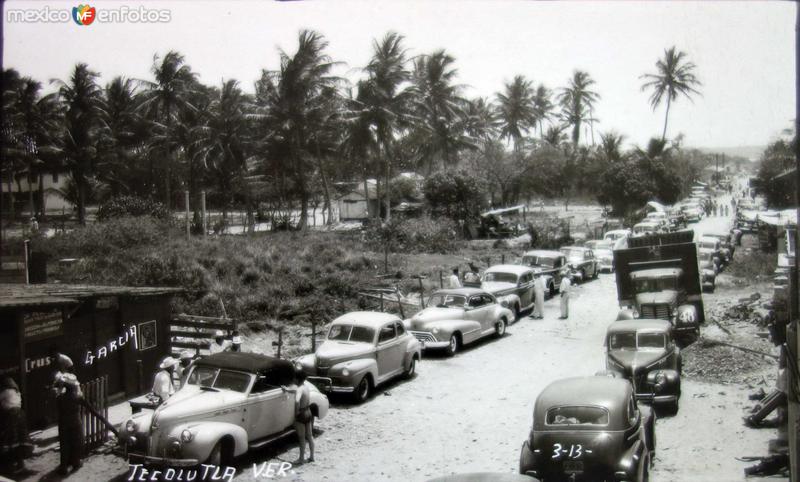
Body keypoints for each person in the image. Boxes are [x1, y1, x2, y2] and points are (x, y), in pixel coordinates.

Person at [0, 377, 32, 474]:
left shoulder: (5, 392)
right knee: (19, 440)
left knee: (10, 440)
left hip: (11, 415)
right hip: (20, 414)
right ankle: (20, 463)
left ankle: (11, 464)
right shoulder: (16, 391)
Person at [54, 373, 83, 475]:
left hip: (64, 422)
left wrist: (59, 389)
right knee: (75, 442)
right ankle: (76, 463)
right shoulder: (77, 397)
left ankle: (63, 467)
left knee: (64, 444)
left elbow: (58, 406)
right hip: (76, 421)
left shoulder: (60, 398)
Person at [285, 369, 315, 465]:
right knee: (310, 436)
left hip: (301, 414)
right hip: (308, 412)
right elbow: (296, 390)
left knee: (301, 438)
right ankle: (312, 456)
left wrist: (296, 413)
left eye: (294, 378)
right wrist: (287, 389)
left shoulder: (299, 389)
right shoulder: (305, 387)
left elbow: (297, 400)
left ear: (297, 379)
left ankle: (301, 459)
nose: (293, 380)